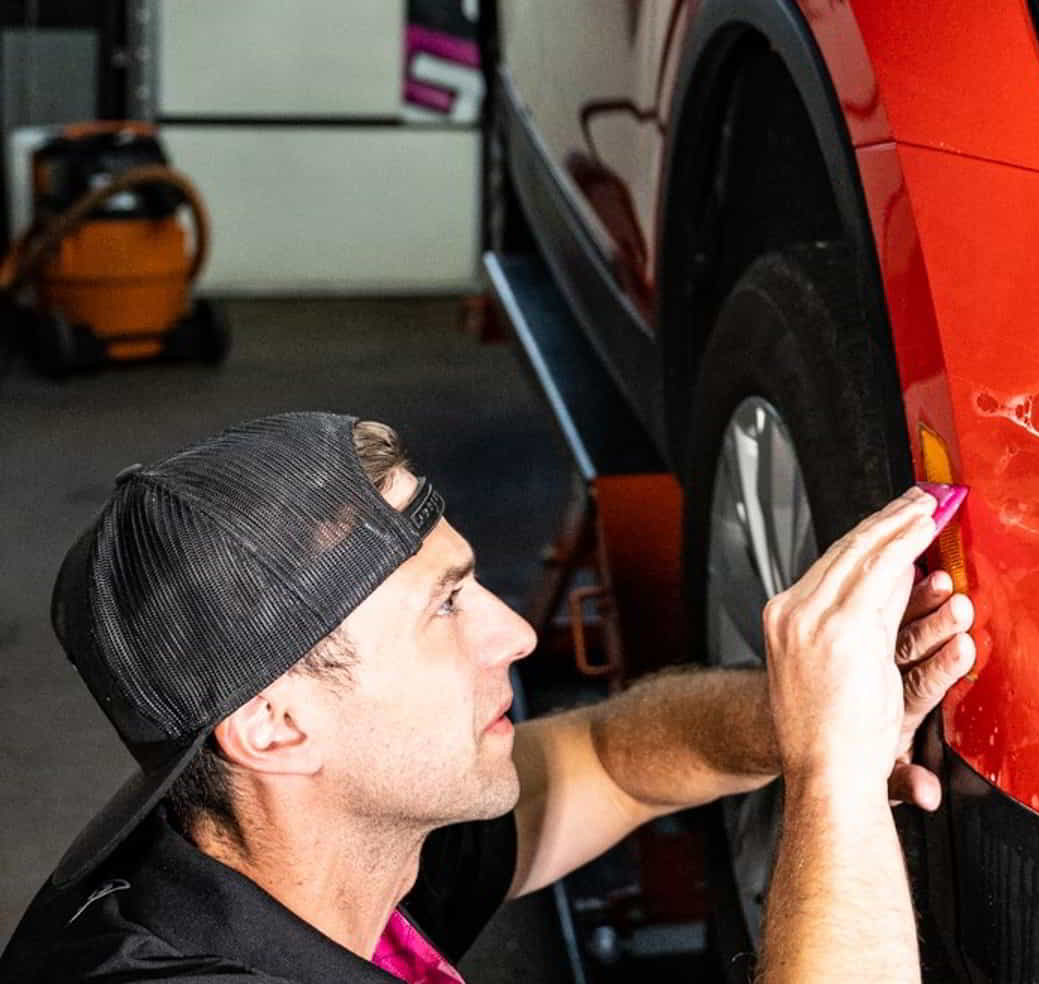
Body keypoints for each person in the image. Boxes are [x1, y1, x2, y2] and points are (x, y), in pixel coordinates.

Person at [0, 411, 975, 983]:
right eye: (448, 606)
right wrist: (834, 776)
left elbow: (613, 758)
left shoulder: (317, 845)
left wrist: (799, 713)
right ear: (275, 721)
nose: (514, 634)